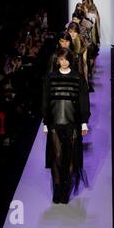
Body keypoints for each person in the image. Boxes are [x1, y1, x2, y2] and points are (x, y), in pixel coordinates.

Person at [42, 47, 91, 204]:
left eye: (66, 59)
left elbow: (84, 102)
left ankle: (66, 188)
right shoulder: (50, 77)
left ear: (71, 59)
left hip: (73, 123)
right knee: (57, 156)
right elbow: (46, 101)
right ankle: (57, 187)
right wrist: (45, 122)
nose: (64, 62)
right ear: (57, 60)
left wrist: (84, 122)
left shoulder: (78, 78)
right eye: (61, 59)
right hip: (55, 122)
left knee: (69, 158)